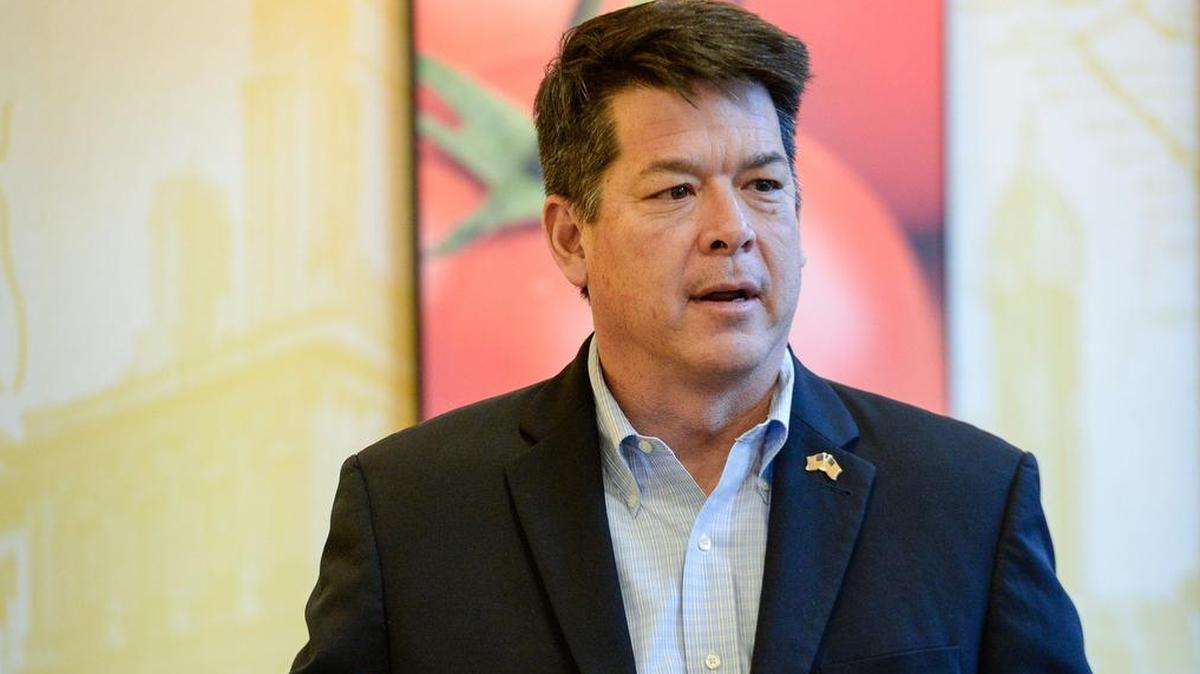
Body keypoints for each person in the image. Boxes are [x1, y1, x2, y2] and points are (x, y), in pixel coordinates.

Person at [290, 2, 1091, 672]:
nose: (732, 230)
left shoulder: (970, 499)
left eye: (763, 185)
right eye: (676, 190)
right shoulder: (410, 511)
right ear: (572, 237)